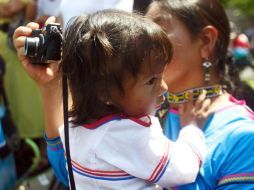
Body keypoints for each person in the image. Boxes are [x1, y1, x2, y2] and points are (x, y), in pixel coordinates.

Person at [14, 10, 212, 189]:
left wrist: (50, 84)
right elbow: (184, 169)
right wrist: (192, 129)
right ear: (103, 91)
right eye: (152, 80)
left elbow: (59, 157)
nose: (164, 88)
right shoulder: (131, 136)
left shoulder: (77, 127)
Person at [145, 0, 254, 189]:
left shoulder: (242, 137)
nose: (141, 46)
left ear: (206, 41)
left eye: (158, 32)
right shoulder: (137, 115)